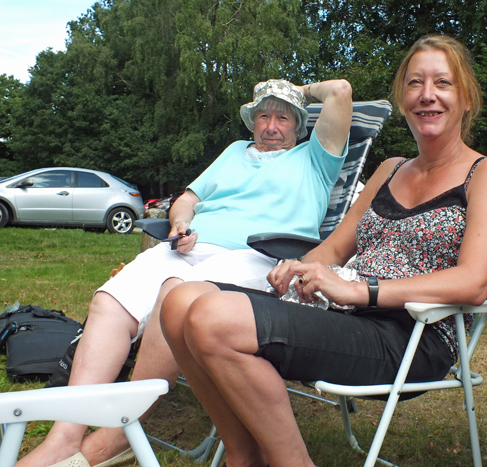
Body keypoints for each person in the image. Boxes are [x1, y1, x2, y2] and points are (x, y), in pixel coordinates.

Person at [160, 34, 487, 467]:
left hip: (409, 334)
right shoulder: (390, 169)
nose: (427, 95)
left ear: (466, 99)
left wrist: (362, 290)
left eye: (443, 83)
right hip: (341, 313)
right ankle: (244, 453)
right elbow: (335, 247)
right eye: (415, 83)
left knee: (214, 319)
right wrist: (302, 266)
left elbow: (474, 281)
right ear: (402, 99)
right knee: (179, 302)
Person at [18, 78, 353, 467]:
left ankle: (119, 436)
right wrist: (179, 225)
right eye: (263, 116)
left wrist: (293, 88)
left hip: (261, 256)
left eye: (282, 117)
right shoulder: (233, 152)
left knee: (175, 292)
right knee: (110, 300)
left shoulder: (316, 158)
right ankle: (64, 437)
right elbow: (189, 199)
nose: (271, 126)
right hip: (192, 247)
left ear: (299, 125)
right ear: (252, 122)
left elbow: (341, 91)